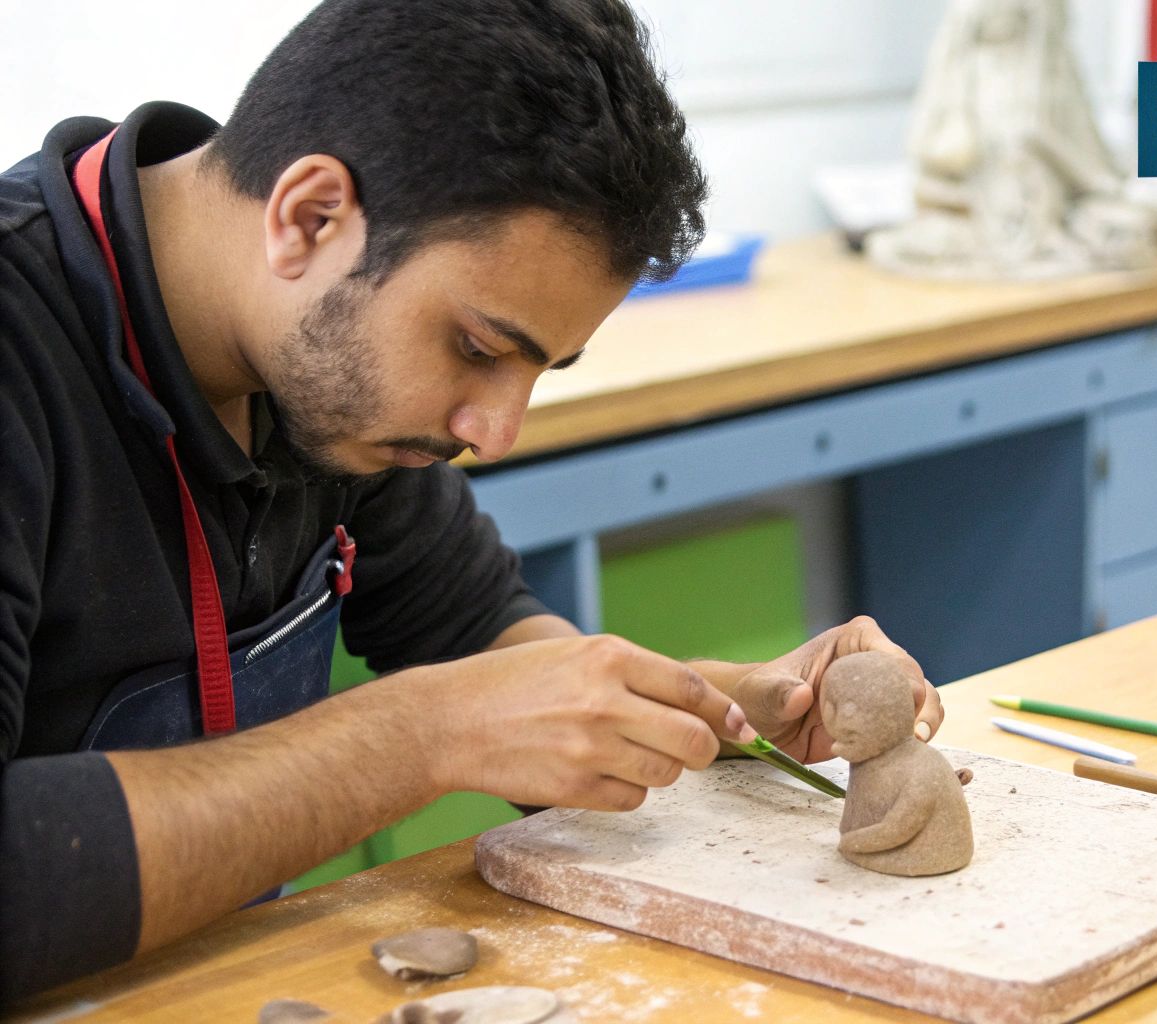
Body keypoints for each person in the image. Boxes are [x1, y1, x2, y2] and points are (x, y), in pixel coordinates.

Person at [0, 0, 939, 1002]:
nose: (496, 430)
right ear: (309, 217)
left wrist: (714, 704)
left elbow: (476, 628)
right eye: (480, 348)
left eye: (539, 369)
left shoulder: (316, 368)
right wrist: (416, 735)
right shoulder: (23, 354)